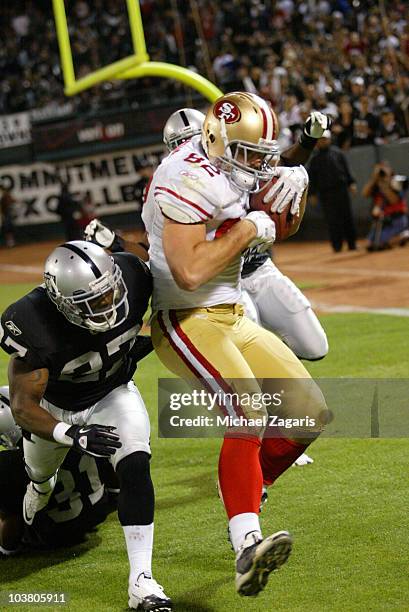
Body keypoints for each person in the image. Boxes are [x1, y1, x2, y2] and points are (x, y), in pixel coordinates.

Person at [142, 92, 327, 598]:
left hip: (233, 311)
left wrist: (294, 174)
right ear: (217, 141)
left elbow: (275, 200)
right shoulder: (185, 176)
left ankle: (247, 487)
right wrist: (249, 226)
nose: (260, 166)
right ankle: (247, 543)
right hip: (185, 315)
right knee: (247, 412)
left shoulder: (237, 161)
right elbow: (190, 269)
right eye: (252, 155)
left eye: (264, 155)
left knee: (309, 412)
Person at [85, 107, 330, 471]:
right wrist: (119, 243)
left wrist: (303, 155)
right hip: (214, 290)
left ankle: (280, 425)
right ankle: (258, 439)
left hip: (259, 268)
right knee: (240, 377)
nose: (188, 148)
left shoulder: (238, 163)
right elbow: (165, 257)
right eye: (179, 144)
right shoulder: (177, 180)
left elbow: (270, 170)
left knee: (315, 346)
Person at [0, 241, 172, 611]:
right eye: (93, 302)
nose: (108, 304)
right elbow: (23, 407)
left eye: (110, 292)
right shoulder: (32, 321)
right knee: (41, 478)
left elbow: (171, 283)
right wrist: (71, 434)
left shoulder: (132, 274)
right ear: (62, 302)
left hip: (112, 394)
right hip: (55, 409)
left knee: (136, 463)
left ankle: (141, 582)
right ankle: (39, 489)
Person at [0, 386, 118, 554]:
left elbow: (12, 519)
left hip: (51, 533)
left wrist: (6, 550)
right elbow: (108, 463)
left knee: (11, 503)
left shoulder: (8, 464)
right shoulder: (75, 430)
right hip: (95, 511)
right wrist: (115, 496)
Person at [308, 130, 358, 252]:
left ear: (329, 139)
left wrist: (351, 183)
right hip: (326, 194)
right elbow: (312, 177)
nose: (322, 141)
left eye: (325, 139)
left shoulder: (338, 153)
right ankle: (337, 245)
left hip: (341, 190)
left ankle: (352, 244)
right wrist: (312, 194)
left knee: (347, 217)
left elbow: (346, 170)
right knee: (332, 220)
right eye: (320, 139)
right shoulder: (314, 159)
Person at [362, 161, 408, 251]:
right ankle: (396, 238)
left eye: (384, 168)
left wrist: (385, 185)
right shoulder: (376, 184)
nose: (381, 171)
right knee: (370, 244)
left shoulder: (397, 181)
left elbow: (394, 200)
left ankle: (403, 234)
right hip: (383, 221)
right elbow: (365, 194)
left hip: (397, 219)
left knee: (383, 243)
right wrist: (374, 179)